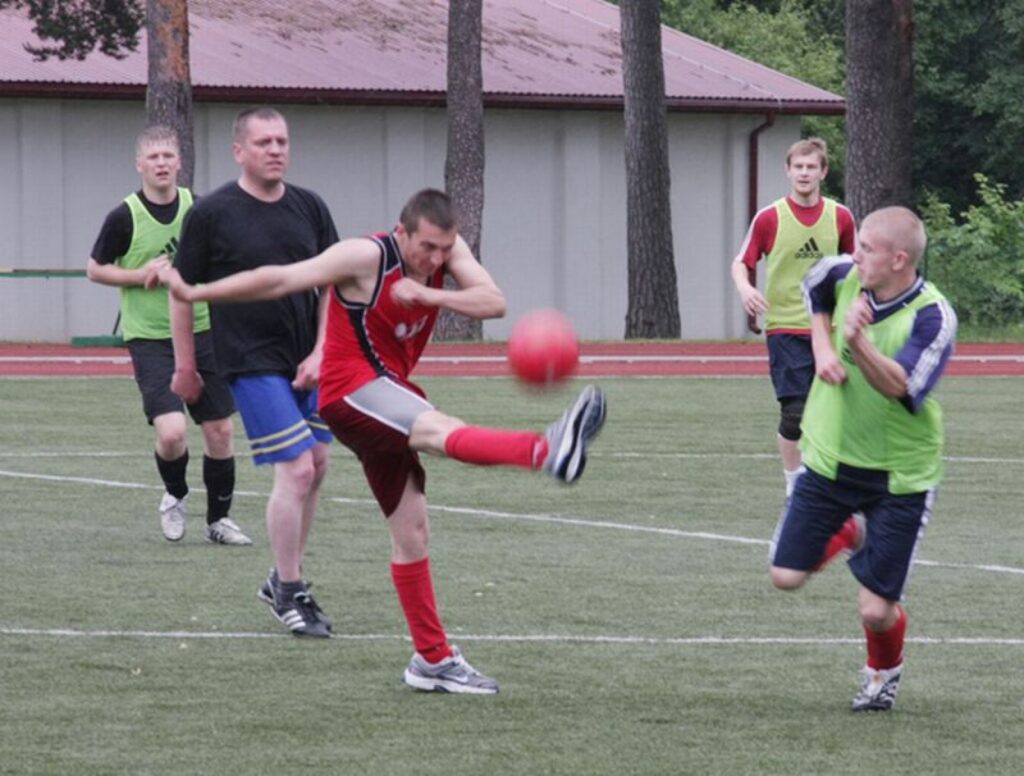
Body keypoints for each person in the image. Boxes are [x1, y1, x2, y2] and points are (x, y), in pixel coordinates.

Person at [162, 188, 607, 694]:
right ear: (403, 234)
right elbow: (283, 278)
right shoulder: (366, 256)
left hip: (388, 391)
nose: (436, 259)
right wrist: (199, 292)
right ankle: (547, 451)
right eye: (427, 249)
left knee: (412, 529)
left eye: (446, 249)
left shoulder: (448, 253)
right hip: (350, 391)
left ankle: (431, 660)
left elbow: (494, 302)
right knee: (439, 429)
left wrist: (432, 293)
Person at [769, 206, 957, 711]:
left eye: (868, 249)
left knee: (875, 611)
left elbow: (900, 386)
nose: (855, 255)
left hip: (899, 478)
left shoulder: (934, 317)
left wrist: (855, 341)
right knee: (784, 576)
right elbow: (814, 286)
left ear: (899, 260)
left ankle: (882, 675)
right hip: (830, 461)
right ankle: (853, 531)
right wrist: (825, 345)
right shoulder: (841, 273)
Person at [170, 107, 338, 637]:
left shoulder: (310, 206)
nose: (276, 149)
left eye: (282, 140)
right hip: (249, 359)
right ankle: (289, 589)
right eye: (263, 141)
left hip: (305, 360)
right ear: (239, 151)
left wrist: (322, 350)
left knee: (318, 462)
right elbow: (182, 292)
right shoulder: (213, 213)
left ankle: (286, 577)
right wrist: (185, 366)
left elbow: (333, 283)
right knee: (298, 470)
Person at [87, 125, 250, 546]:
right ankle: (175, 494)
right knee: (173, 432)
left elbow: (223, 258)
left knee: (220, 431)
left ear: (179, 162)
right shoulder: (124, 216)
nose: (161, 163)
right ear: (139, 164)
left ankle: (219, 520)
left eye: (167, 156)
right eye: (153, 157)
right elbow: (96, 268)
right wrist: (140, 275)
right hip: (150, 338)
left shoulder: (200, 209)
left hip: (202, 332)